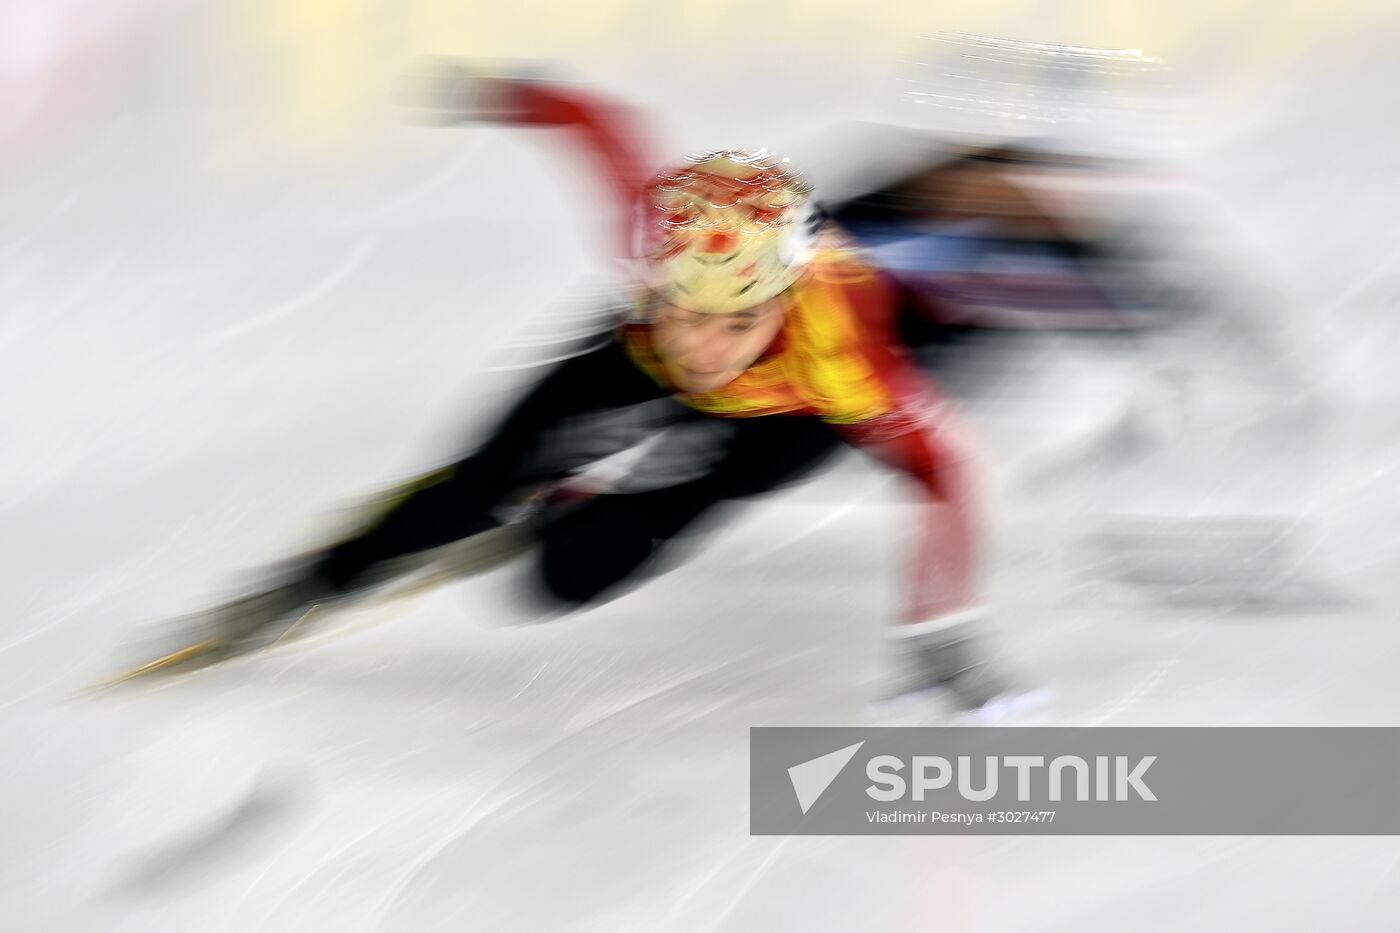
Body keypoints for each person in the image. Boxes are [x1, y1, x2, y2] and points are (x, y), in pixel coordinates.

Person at [132, 72, 1018, 713]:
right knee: (473, 489)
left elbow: (947, 474)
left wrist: (942, 631)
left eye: (734, 322)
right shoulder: (657, 239)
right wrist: (497, 92)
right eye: (682, 310)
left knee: (565, 580)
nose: (704, 347)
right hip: (629, 360)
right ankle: (303, 587)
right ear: (654, 278)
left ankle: (570, 507)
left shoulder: (846, 353)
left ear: (782, 298)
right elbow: (597, 122)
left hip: (787, 411)